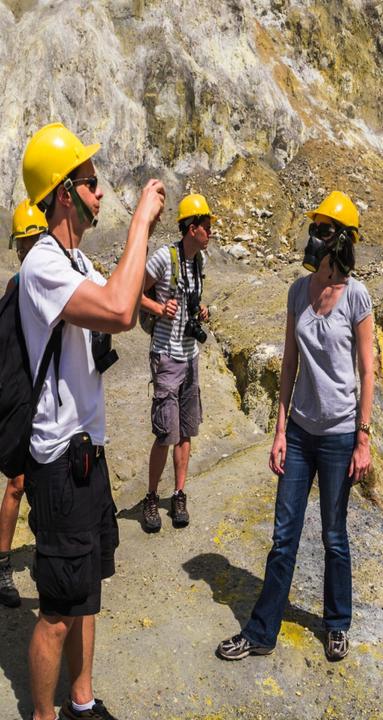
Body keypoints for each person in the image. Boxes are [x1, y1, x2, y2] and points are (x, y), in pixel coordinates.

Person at [19, 122, 165, 720]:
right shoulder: (42, 268)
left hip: (88, 454)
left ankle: (82, 700)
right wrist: (139, 227)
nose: (100, 192)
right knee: (55, 611)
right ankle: (46, 715)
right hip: (59, 463)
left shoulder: (72, 257)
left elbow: (122, 299)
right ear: (63, 194)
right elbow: (118, 311)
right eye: (91, 182)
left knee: (87, 592)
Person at [216, 190, 373, 664]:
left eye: (324, 230)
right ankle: (262, 631)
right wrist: (280, 430)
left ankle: (337, 623)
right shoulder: (295, 292)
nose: (314, 237)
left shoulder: (357, 296)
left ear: (342, 240)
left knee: (333, 536)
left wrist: (363, 438)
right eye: (315, 228)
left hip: (341, 435)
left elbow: (369, 371)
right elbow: (289, 364)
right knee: (284, 534)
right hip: (301, 434)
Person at [137, 193, 213, 533]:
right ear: (192, 228)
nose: (211, 232)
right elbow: (133, 292)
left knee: (186, 431)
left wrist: (201, 310)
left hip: (190, 356)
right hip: (167, 355)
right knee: (166, 433)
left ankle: (179, 493)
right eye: (207, 226)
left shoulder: (200, 262)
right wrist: (158, 308)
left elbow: (192, 299)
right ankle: (152, 497)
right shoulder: (163, 259)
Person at [0, 200, 48, 609]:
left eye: (35, 239)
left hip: (45, 399)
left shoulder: (51, 279)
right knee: (17, 482)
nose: (30, 248)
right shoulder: (18, 285)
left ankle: (45, 551)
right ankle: (2, 566)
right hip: (23, 398)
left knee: (41, 479)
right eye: (25, 243)